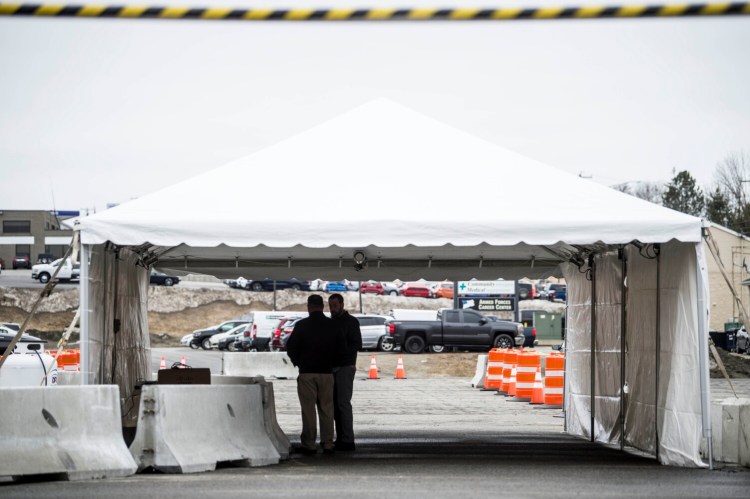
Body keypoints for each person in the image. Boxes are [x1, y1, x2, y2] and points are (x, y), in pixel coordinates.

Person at [286, 294, 341, 455]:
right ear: (323, 307)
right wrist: (332, 364)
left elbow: (291, 347)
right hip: (327, 372)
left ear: (308, 306)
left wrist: (298, 362)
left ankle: (309, 444)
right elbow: (341, 348)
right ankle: (328, 443)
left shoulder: (302, 325)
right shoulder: (333, 326)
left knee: (308, 409)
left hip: (307, 372)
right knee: (327, 408)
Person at [329, 292, 362, 452]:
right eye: (330, 306)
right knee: (336, 405)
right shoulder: (331, 322)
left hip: (345, 367)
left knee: (342, 403)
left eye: (335, 305)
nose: (332, 308)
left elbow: (357, 344)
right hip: (334, 367)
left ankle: (348, 439)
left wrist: (343, 357)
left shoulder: (351, 322)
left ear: (342, 305)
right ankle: (341, 437)